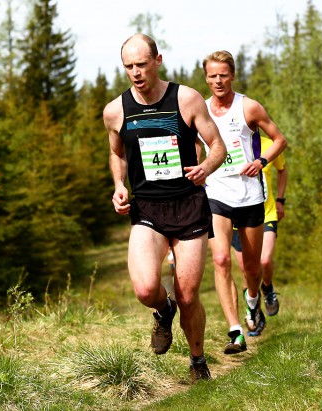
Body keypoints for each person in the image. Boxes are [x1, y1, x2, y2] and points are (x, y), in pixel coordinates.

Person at [103, 34, 227, 383]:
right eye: (129, 66)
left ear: (158, 60)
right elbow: (116, 152)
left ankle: (198, 361)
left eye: (142, 64)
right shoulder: (116, 111)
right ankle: (162, 309)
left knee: (189, 296)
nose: (136, 73)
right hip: (147, 210)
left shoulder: (185, 99)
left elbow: (216, 145)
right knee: (145, 289)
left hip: (188, 205)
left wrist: (206, 167)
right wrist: (118, 187)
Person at [199, 50, 287, 354]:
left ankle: (253, 302)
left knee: (252, 268)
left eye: (223, 74)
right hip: (216, 193)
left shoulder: (248, 107)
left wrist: (261, 161)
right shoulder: (200, 109)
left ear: (232, 75)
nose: (218, 80)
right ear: (206, 78)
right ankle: (235, 331)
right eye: (212, 75)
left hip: (250, 194)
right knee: (222, 260)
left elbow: (280, 140)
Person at [232, 135, 287, 330]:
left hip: (267, 212)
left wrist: (281, 200)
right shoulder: (228, 140)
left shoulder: (269, 144)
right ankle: (255, 314)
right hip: (237, 216)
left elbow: (282, 170)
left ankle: (268, 288)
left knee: (264, 260)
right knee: (248, 271)